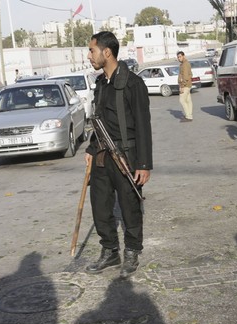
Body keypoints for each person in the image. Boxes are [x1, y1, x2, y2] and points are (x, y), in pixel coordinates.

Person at [84, 31, 152, 278]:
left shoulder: (134, 83)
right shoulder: (101, 84)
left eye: (92, 50)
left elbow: (144, 125)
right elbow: (98, 121)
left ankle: (132, 252)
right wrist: (91, 150)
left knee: (130, 206)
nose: (89, 56)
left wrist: (143, 164)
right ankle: (110, 250)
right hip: (102, 156)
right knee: (100, 206)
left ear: (107, 52)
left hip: (127, 156)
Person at [177, 51, 193, 122]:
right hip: (187, 84)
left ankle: (188, 116)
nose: (179, 58)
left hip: (185, 85)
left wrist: (182, 86)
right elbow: (190, 74)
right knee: (188, 100)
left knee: (182, 100)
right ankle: (190, 115)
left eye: (180, 56)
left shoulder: (185, 64)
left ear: (184, 56)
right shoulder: (184, 64)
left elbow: (186, 76)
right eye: (178, 57)